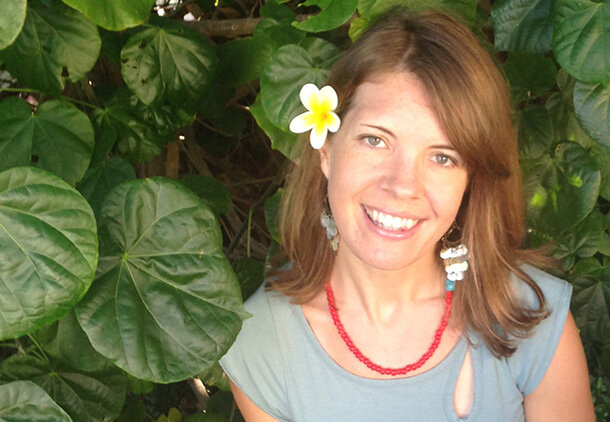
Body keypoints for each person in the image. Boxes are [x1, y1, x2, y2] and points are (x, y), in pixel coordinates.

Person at [219, 8, 594, 421]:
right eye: (375, 140)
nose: (402, 185)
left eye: (443, 157)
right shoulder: (263, 344)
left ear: (471, 181)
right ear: (327, 150)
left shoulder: (530, 318)